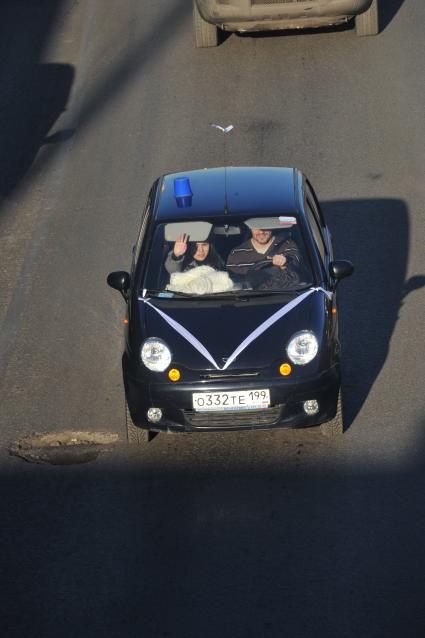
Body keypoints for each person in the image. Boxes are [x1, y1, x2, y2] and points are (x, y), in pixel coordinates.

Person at [226, 227, 302, 289]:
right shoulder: (236, 254)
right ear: (250, 228)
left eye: (265, 226)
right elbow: (231, 284)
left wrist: (284, 263)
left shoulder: (287, 245)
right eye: (256, 227)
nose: (261, 231)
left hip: (284, 300)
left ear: (272, 226)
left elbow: (298, 271)